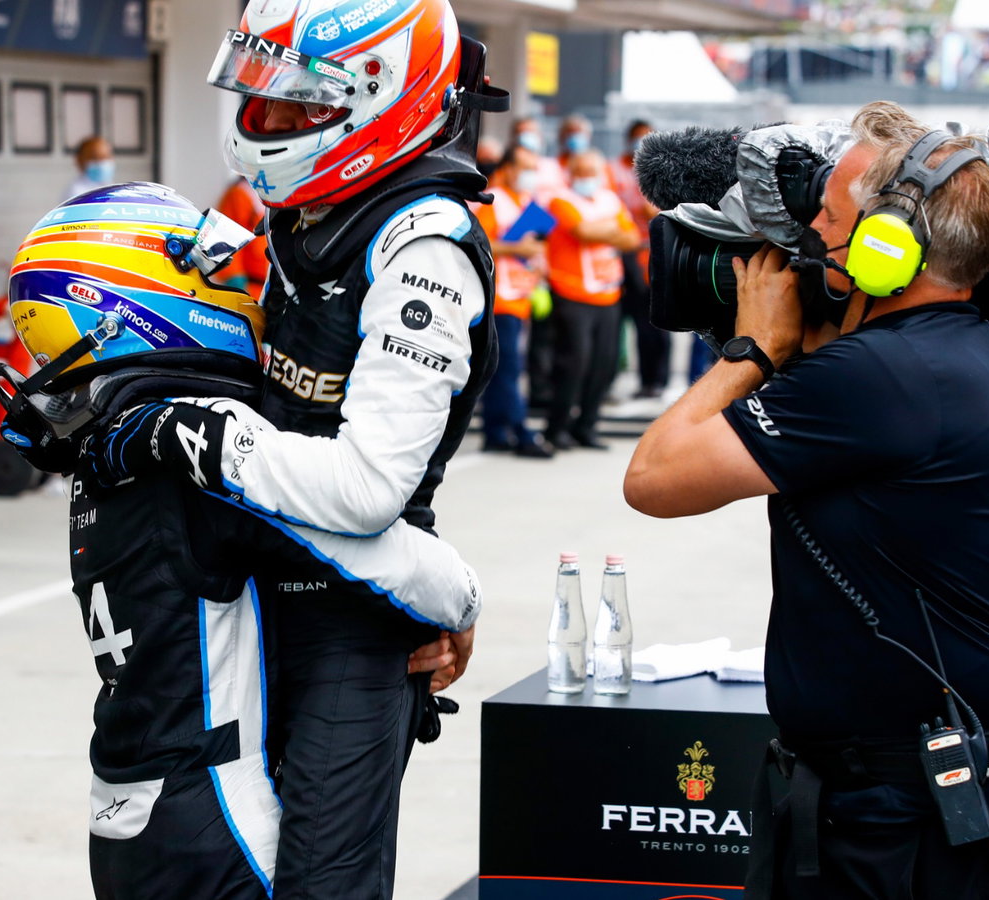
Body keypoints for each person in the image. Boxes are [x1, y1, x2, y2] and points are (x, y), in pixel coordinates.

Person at [623, 101, 989, 898]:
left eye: (827, 220)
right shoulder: (956, 357)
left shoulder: (882, 378)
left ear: (885, 249)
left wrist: (754, 347)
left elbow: (654, 479)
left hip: (912, 824)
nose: (805, 245)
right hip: (937, 796)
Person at [105, 6, 502, 896]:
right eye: (263, 97)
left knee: (323, 883)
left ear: (382, 101)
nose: (270, 121)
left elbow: (366, 491)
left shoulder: (423, 248)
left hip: (349, 615)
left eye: (299, 104)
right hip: (248, 591)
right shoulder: (302, 213)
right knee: (210, 861)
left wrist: (210, 438)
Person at [0, 183, 481, 899]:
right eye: (216, 277)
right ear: (144, 302)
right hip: (218, 818)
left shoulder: (103, 453)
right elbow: (398, 559)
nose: (243, 293)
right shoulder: (190, 442)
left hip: (130, 814)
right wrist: (462, 605)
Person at [544, 150, 640, 450]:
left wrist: (607, 231)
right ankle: (556, 428)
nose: (588, 177)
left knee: (604, 365)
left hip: (608, 295)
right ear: (571, 172)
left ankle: (586, 426)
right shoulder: (560, 200)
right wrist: (612, 229)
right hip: (573, 294)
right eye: (582, 171)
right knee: (573, 365)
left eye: (592, 171)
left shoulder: (609, 199)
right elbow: (582, 231)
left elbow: (633, 238)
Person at [474, 144, 552, 458]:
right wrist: (518, 249)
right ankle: (520, 432)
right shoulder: (493, 200)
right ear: (507, 168)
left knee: (500, 368)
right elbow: (479, 243)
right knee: (508, 368)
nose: (531, 175)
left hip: (519, 296)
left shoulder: (527, 202)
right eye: (525, 168)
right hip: (499, 299)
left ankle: (495, 432)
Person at [609, 119, 670, 401]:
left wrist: (656, 213)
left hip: (653, 251)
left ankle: (655, 380)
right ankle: (609, 379)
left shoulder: (664, 171)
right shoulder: (615, 170)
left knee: (655, 320)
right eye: (636, 138)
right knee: (622, 318)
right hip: (624, 250)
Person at [214, 176, 270, 300]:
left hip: (274, 286)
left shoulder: (278, 193)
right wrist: (234, 277)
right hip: (251, 287)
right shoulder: (240, 193)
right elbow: (225, 238)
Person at [65, 135, 116, 200]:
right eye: (95, 158)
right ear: (79, 161)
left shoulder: (112, 188)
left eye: (106, 157)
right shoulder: (75, 194)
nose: (101, 162)